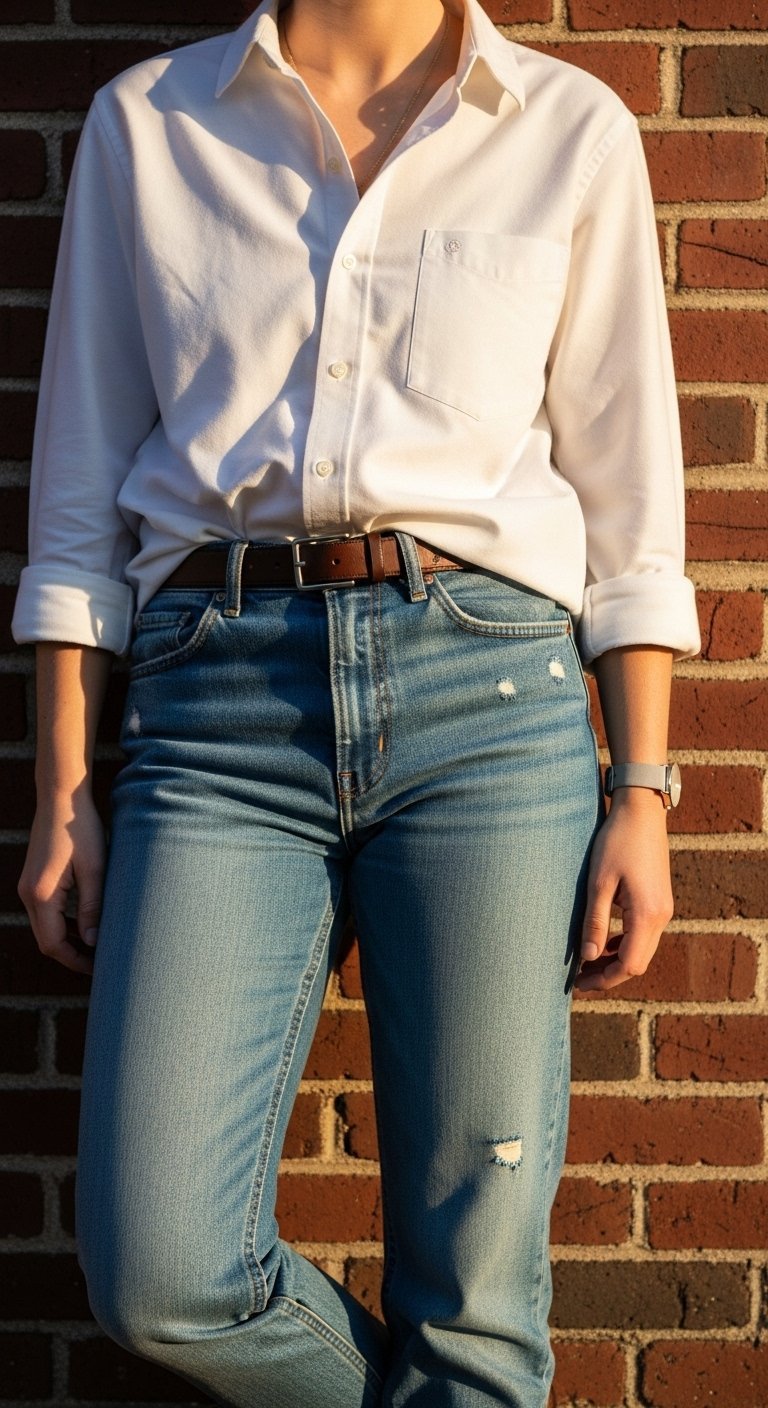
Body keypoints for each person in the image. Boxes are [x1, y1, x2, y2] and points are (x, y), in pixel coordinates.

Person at [13, 0, 701, 1404]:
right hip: (214, 705)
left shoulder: (568, 129)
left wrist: (644, 789)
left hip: (490, 700)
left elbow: (634, 506)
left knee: (475, 1289)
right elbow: (77, 506)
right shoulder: (153, 126)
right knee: (161, 1272)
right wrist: (62, 790)